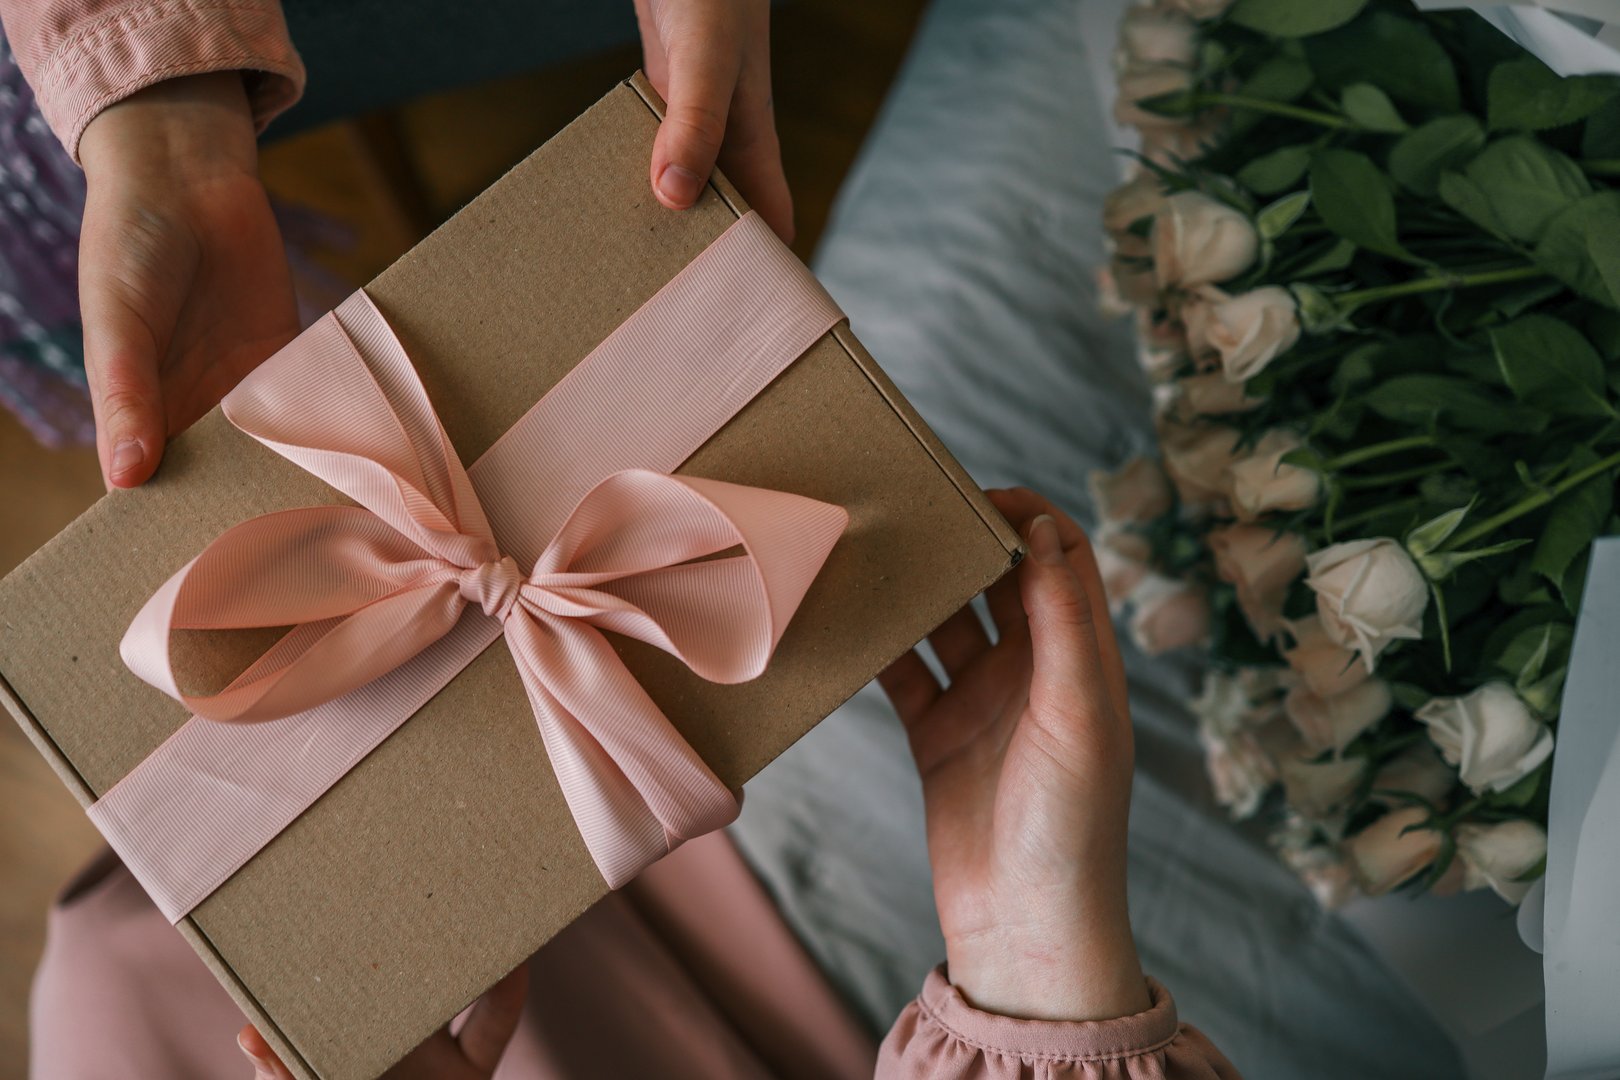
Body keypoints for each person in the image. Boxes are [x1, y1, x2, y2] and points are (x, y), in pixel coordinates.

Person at [3, 2, 1240, 1076]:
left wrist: (158, 115)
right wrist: (1035, 959)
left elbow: (226, 840)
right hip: (1001, 945)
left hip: (826, 639)